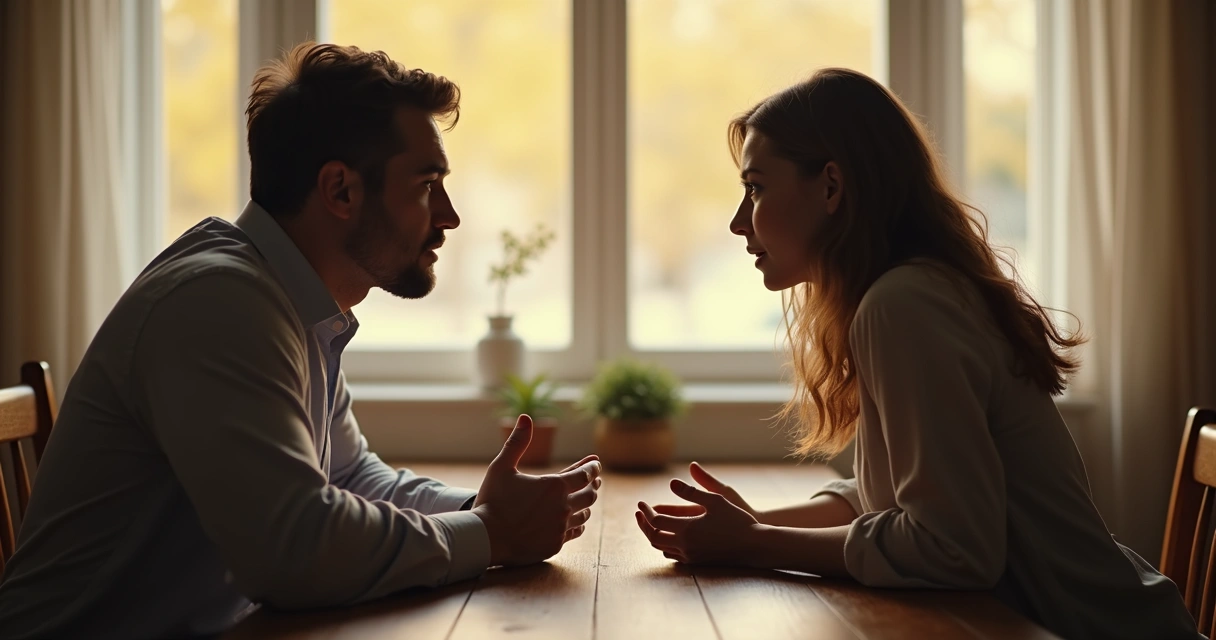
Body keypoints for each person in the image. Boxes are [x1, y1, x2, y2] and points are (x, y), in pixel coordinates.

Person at [0, 42, 601, 639]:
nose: (448, 216)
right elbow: (294, 552)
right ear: (340, 190)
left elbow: (350, 478)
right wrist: (495, 534)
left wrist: (479, 509)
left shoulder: (289, 300)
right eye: (426, 184)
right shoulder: (219, 303)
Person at [634, 68, 1198, 639]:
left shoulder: (904, 304)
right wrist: (750, 526)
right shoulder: (910, 293)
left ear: (831, 187)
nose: (737, 222)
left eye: (755, 187)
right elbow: (883, 497)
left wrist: (754, 544)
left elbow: (952, 548)